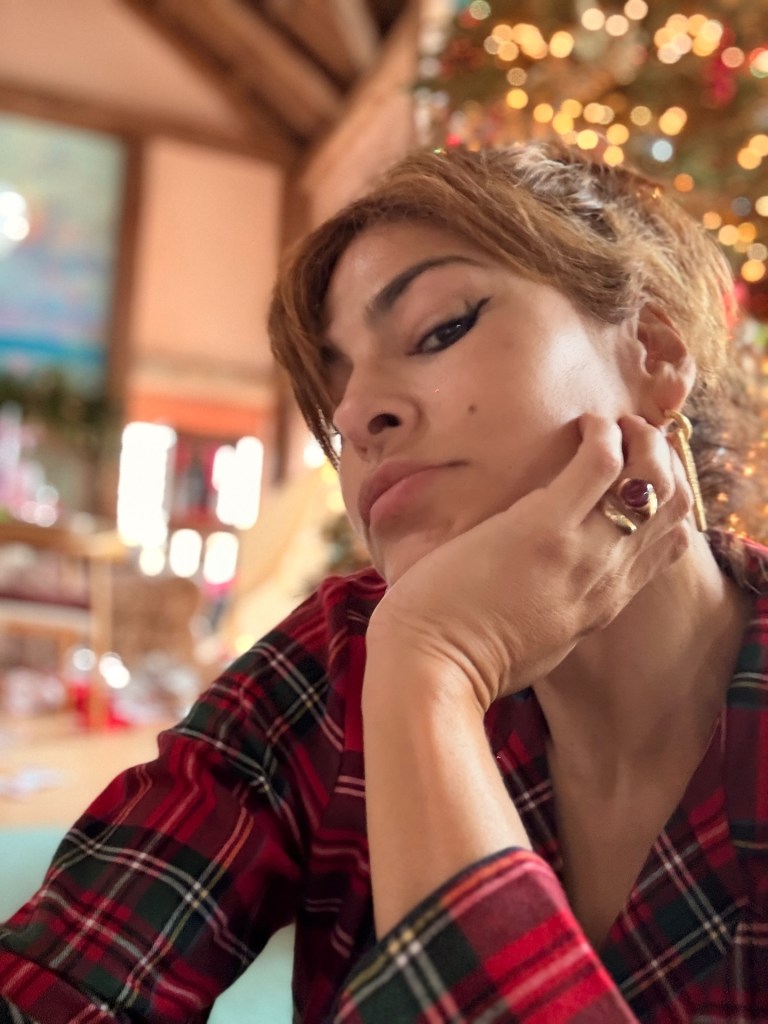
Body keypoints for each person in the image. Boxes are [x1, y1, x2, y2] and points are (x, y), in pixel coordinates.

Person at [1, 140, 767, 1023]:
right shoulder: (341, 654)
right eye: (337, 394)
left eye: (441, 328)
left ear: (656, 351)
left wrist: (431, 671)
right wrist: (423, 657)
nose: (359, 414)